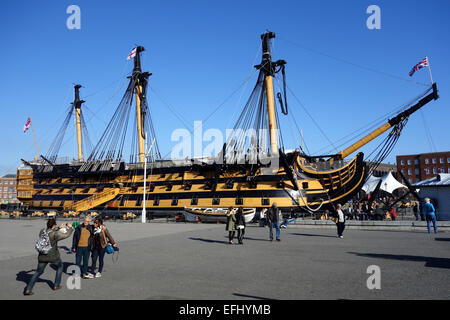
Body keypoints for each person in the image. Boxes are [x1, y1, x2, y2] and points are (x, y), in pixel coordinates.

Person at [24, 219, 73, 295]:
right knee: (60, 266)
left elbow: (49, 231)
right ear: (53, 225)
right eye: (55, 225)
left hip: (42, 255)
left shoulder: (42, 231)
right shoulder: (55, 234)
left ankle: (28, 289)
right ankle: (56, 285)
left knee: (38, 272)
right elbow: (65, 235)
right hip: (52, 256)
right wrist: (70, 228)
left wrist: (58, 228)